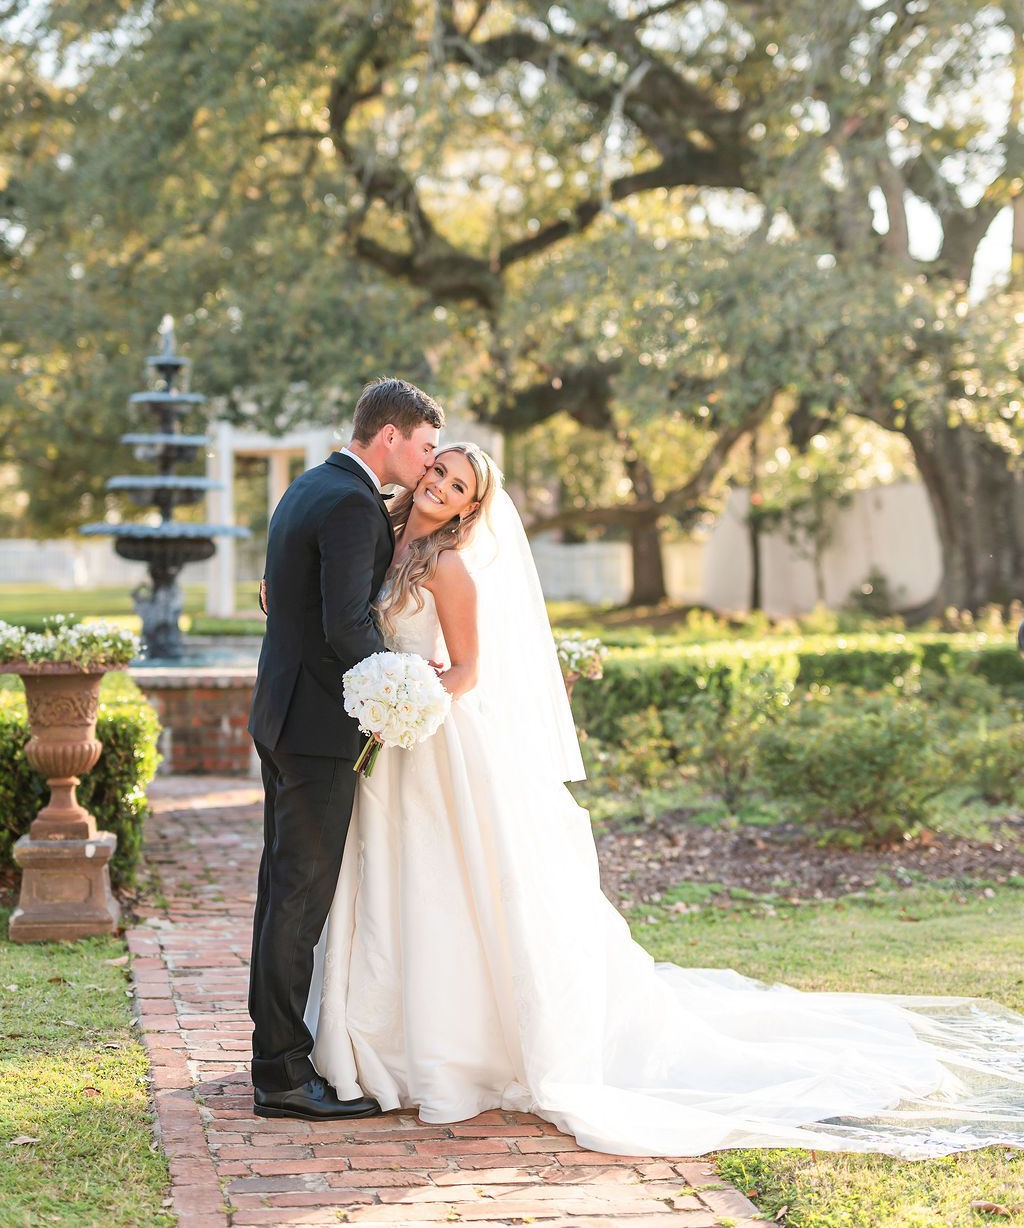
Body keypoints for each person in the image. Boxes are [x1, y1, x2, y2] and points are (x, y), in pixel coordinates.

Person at [306, 443, 1024, 1158]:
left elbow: (467, 670)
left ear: (469, 508)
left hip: (434, 743)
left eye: (456, 484)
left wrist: (415, 696)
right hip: (387, 746)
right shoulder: (378, 533)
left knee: (447, 890)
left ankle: (452, 1051)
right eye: (437, 470)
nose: (438, 484)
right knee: (390, 884)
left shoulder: (453, 570)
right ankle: (383, 1036)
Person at [247, 377, 443, 1121]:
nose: (428, 465)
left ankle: (277, 1059)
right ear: (388, 436)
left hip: (282, 717)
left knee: (281, 893)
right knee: (299, 899)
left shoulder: (308, 486)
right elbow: (345, 627)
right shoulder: (356, 504)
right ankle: (283, 1080)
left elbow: (282, 595)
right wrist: (400, 691)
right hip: (321, 730)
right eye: (425, 448)